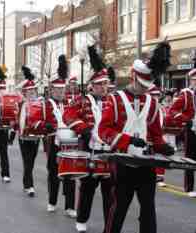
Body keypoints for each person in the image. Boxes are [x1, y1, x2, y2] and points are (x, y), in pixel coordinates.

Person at [99, 41, 174, 233]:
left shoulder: (152, 102)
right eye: (142, 85)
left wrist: (162, 147)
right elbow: (104, 130)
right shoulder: (115, 100)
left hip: (145, 165)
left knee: (148, 209)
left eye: (147, 86)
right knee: (119, 209)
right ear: (133, 77)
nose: (144, 89)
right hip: (122, 164)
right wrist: (127, 140)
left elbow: (156, 135)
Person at [63, 45, 113, 233]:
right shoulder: (82, 101)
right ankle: (82, 220)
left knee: (110, 193)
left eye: (105, 84)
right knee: (87, 190)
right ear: (92, 85)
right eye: (100, 84)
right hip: (90, 153)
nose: (103, 87)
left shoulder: (113, 101)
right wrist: (82, 128)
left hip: (110, 153)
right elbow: (67, 115)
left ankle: (110, 225)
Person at [34, 55, 76, 217]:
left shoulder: (70, 104)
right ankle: (52, 201)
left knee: (71, 173)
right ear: (52, 90)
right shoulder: (45, 104)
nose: (60, 92)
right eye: (58, 90)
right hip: (53, 142)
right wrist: (46, 126)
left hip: (71, 142)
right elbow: (35, 123)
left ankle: (70, 206)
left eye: (62, 90)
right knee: (53, 173)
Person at [167, 66, 196, 198]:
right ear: (191, 80)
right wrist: (185, 120)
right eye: (195, 80)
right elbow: (172, 110)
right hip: (191, 130)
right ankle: (189, 187)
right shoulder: (186, 94)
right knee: (189, 159)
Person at [16, 66, 41, 197]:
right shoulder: (21, 105)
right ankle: (29, 185)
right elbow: (16, 120)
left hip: (36, 137)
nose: (32, 93)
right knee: (27, 160)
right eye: (29, 92)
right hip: (24, 137)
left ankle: (26, 182)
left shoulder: (39, 104)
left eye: (33, 91)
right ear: (25, 93)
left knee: (31, 160)